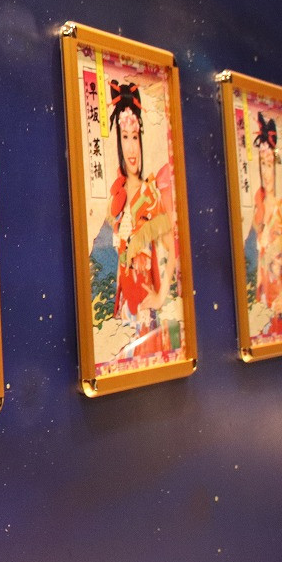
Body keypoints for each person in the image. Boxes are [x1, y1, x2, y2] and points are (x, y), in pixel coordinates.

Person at [104, 82, 174, 359]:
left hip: (145, 304)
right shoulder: (117, 194)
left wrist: (161, 295)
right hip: (125, 302)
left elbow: (172, 250)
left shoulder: (151, 194)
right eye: (125, 137)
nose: (131, 147)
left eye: (135, 137)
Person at [251, 113, 282, 335]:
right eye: (263, 164)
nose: (266, 172)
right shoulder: (258, 210)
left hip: (279, 293)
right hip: (262, 294)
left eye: (270, 164)